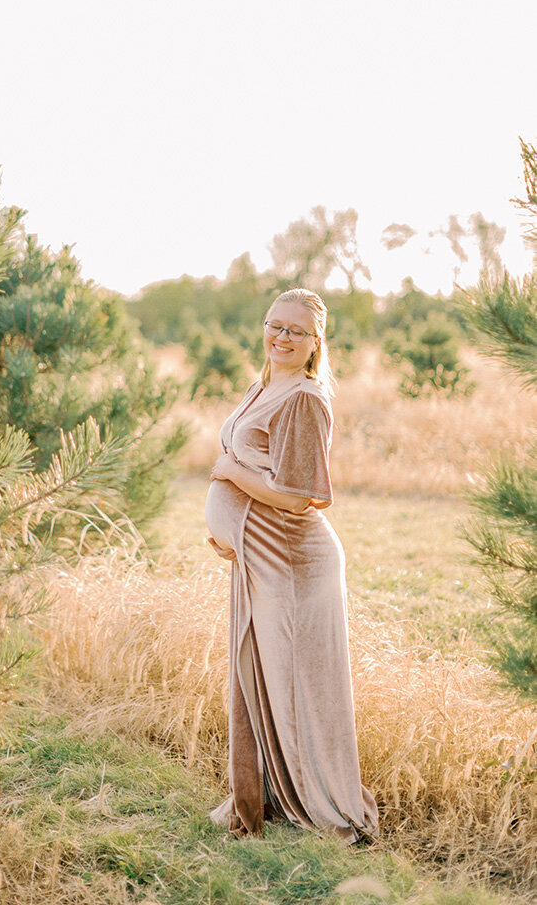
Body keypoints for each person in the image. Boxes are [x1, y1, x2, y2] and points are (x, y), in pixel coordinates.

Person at [206, 287, 378, 842]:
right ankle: (273, 793)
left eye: (295, 331)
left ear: (315, 342)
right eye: (275, 325)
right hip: (261, 557)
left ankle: (328, 807)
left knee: (303, 687)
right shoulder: (264, 385)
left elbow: (299, 495)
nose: (281, 337)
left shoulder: (304, 397)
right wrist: (231, 528)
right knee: (263, 677)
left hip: (296, 561)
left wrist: (229, 475)